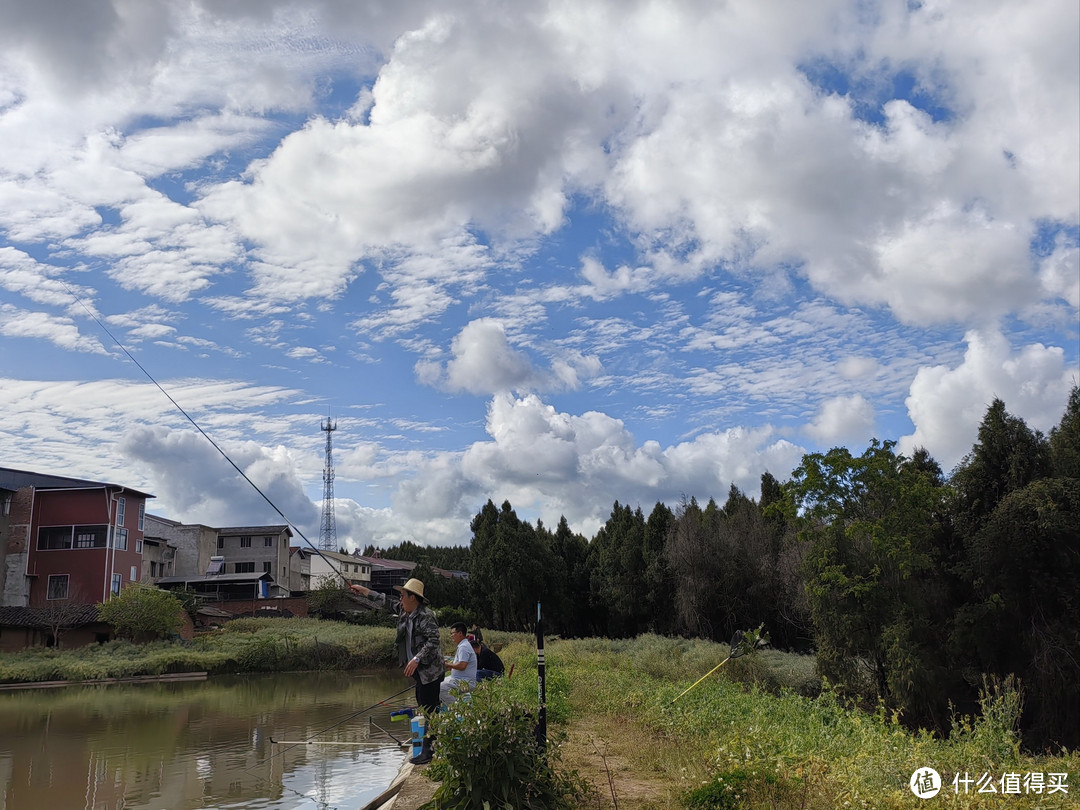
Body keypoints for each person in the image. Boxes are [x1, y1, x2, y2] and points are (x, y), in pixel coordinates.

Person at [349, 577, 441, 764]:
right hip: (419, 672)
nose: (400, 599)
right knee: (425, 706)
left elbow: (434, 641)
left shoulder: (425, 615)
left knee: (429, 708)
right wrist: (362, 590)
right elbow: (383, 600)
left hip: (430, 671)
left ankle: (428, 750)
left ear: (413, 598)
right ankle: (430, 745)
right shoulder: (404, 610)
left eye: (403, 595)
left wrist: (416, 658)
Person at [439, 622, 477, 705]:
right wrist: (450, 664)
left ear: (460, 633)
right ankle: (452, 705)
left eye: (453, 633)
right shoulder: (463, 645)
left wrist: (448, 665)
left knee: (440, 687)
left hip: (465, 681)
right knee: (438, 682)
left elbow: (462, 665)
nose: (451, 636)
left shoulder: (464, 647)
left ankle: (457, 708)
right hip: (459, 678)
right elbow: (459, 664)